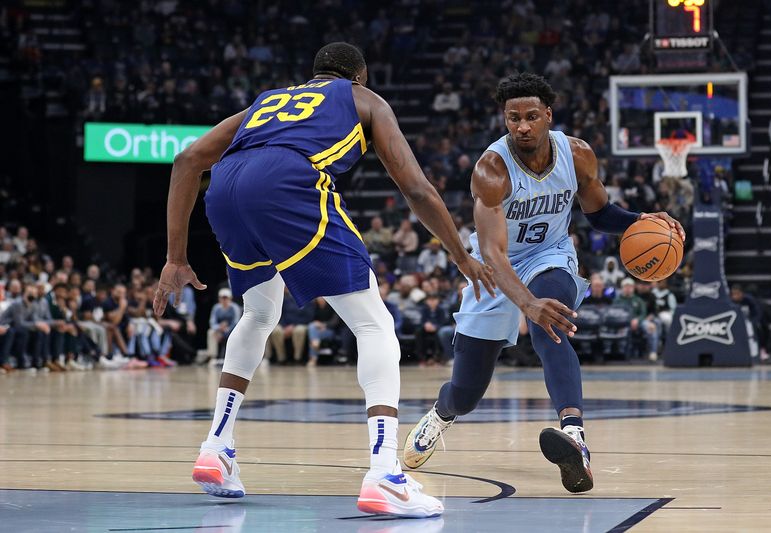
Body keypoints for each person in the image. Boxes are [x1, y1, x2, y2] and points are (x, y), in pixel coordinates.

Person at [153, 42, 494, 518]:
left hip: (227, 188)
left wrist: (175, 257)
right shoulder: (363, 100)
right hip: (286, 182)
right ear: (360, 76)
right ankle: (384, 474)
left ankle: (216, 447)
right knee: (374, 327)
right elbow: (416, 188)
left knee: (258, 315)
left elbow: (188, 160)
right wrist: (459, 254)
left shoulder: (266, 101)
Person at [402, 73, 684, 494]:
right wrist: (525, 302)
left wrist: (642, 221)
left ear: (548, 115)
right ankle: (442, 414)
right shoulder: (491, 170)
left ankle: (575, 436)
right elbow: (494, 254)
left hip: (549, 254)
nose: (522, 126)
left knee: (549, 318)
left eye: (532, 116)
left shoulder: (578, 155)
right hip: (493, 269)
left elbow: (600, 213)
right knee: (466, 391)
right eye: (513, 118)